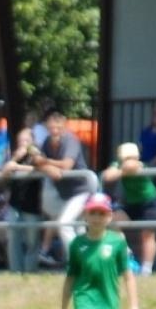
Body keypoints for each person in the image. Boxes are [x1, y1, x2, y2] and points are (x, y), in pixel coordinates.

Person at [35, 110, 93, 266]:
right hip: (65, 193)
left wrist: (45, 162)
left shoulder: (71, 140)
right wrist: (44, 164)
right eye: (51, 128)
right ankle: (86, 262)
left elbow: (67, 165)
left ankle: (76, 263)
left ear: (64, 126)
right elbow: (37, 162)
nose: (54, 131)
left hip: (81, 191)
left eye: (58, 128)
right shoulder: (47, 142)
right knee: (79, 229)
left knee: (64, 224)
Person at [102, 141, 156, 275]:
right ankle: (126, 253)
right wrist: (120, 170)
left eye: (131, 157)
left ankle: (146, 269)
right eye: (125, 158)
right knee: (111, 223)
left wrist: (121, 170)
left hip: (150, 203)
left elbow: (131, 167)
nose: (128, 160)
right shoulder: (117, 164)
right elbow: (107, 176)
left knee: (147, 235)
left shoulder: (141, 165)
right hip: (132, 203)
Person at [0, 128, 45, 273]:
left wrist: (17, 166)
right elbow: (2, 177)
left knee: (32, 241)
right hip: (15, 205)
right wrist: (13, 160)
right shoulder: (14, 157)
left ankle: (30, 271)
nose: (22, 144)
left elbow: (40, 169)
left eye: (25, 141)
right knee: (13, 238)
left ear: (32, 141)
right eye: (20, 141)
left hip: (32, 206)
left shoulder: (37, 155)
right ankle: (15, 271)